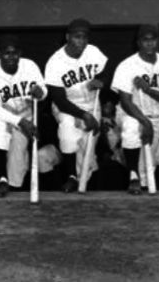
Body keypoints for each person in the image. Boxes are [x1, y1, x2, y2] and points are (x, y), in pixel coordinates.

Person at [111, 25, 159, 194]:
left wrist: (149, 89)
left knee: (147, 165)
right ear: (138, 42)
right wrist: (145, 122)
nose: (149, 43)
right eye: (145, 40)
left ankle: (139, 187)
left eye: (153, 39)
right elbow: (126, 101)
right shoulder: (127, 65)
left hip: (157, 116)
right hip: (131, 113)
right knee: (130, 128)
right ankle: (133, 176)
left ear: (158, 41)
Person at [44, 19, 107, 193]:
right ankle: (71, 176)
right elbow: (59, 99)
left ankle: (84, 186)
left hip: (91, 103)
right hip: (67, 106)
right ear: (68, 37)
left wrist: (100, 81)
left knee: (87, 151)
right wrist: (85, 116)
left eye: (85, 37)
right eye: (77, 37)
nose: (82, 41)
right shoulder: (55, 62)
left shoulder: (93, 52)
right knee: (68, 134)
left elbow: (104, 74)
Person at [0, 35, 48, 197]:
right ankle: (1, 179)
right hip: (1, 113)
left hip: (25, 113)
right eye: (6, 53)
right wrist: (20, 121)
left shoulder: (30, 66)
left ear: (20, 53)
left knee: (18, 150)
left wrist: (41, 93)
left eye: (14, 53)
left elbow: (43, 91)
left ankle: (14, 187)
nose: (11, 57)